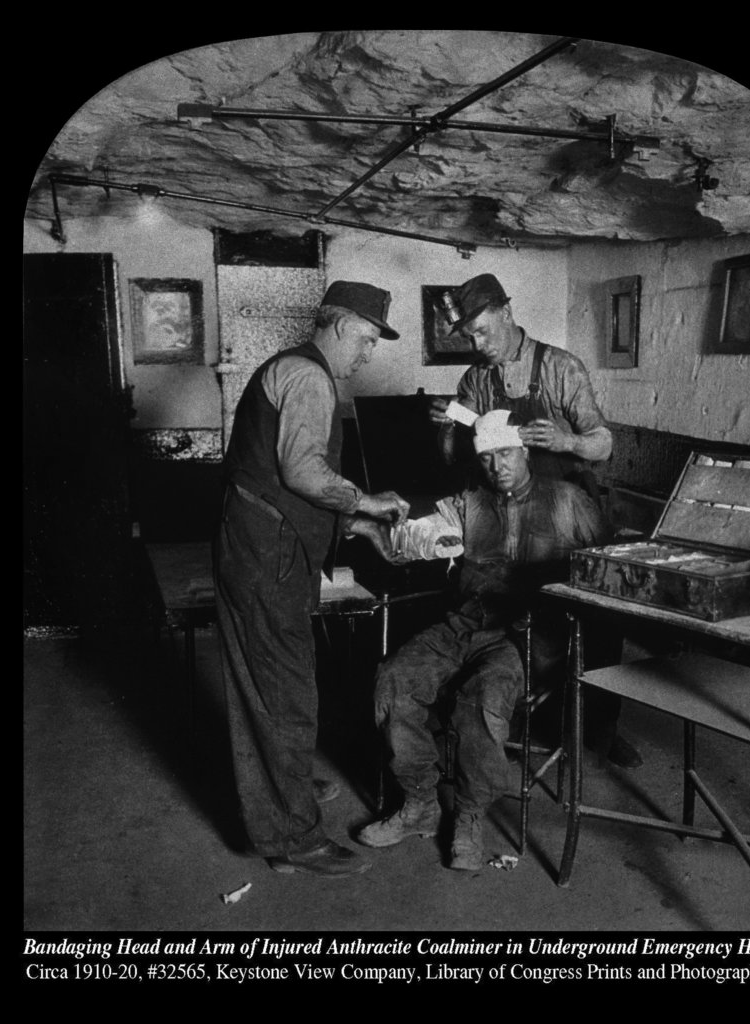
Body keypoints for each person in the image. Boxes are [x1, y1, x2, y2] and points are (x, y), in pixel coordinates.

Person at [356, 410, 610, 870]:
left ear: (526, 451)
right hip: (464, 621)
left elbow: (608, 567)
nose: (498, 466)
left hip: (528, 633)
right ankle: (419, 804)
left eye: (506, 453)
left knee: (481, 699)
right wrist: (415, 537)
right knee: (394, 681)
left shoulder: (569, 501)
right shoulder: (468, 503)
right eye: (488, 457)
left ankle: (470, 815)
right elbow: (418, 536)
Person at [214, 280, 410, 878]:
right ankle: (292, 837)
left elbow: (284, 476)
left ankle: (284, 790)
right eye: (370, 340)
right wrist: (371, 503)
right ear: (344, 324)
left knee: (269, 687)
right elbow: (302, 473)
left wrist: (354, 526)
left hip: (260, 548)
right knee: (285, 693)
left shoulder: (295, 370)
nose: (369, 355)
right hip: (266, 557)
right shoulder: (309, 378)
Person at [428, 273, 641, 769]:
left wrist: (567, 442)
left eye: (483, 331)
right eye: (470, 337)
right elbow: (462, 454)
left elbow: (603, 443)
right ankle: (520, 717)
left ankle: (601, 727)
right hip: (509, 510)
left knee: (595, 614)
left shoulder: (560, 367)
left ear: (507, 312)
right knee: (514, 609)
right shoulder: (476, 380)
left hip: (567, 507)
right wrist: (444, 428)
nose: (478, 345)